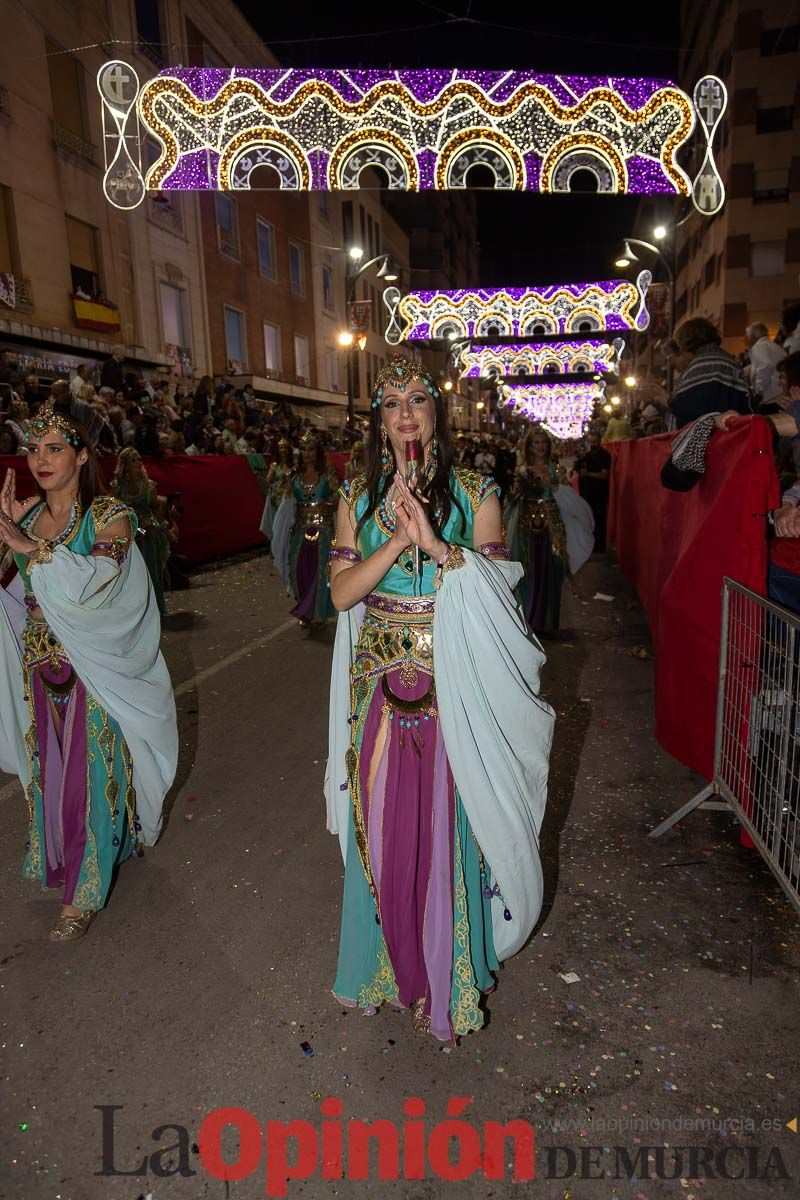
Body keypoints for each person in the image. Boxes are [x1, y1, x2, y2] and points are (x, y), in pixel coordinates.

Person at [325, 354, 554, 1041]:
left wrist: (440, 546)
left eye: (416, 400)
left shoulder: (474, 489)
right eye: (390, 402)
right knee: (385, 825)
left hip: (455, 680)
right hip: (380, 687)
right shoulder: (355, 495)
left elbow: (497, 586)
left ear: (436, 412)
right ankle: (386, 969)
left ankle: (444, 976)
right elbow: (340, 593)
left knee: (451, 826)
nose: (404, 415)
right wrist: (398, 540)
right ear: (378, 420)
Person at [0, 408, 177, 941]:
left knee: (93, 772)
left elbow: (102, 578)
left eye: (55, 448)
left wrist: (33, 549)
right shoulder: (26, 519)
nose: (42, 460)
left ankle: (86, 890)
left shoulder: (107, 513)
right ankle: (92, 851)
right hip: (39, 668)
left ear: (81, 455)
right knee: (53, 772)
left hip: (94, 670)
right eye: (35, 448)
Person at [505, 428, 568, 634]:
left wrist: (557, 482)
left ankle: (548, 622)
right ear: (529, 447)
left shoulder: (554, 468)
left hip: (552, 523)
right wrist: (519, 485)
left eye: (543, 442)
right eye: (536, 443)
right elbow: (514, 496)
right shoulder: (523, 469)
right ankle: (530, 619)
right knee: (530, 567)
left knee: (553, 567)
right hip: (528, 524)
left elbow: (564, 495)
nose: (541, 447)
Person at [283, 431, 338, 628]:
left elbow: (339, 500)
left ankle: (318, 613)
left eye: (311, 449)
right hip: (300, 529)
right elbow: (282, 503)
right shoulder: (294, 477)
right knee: (299, 570)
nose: (307, 453)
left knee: (320, 570)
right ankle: (304, 609)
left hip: (322, 528)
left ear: (318, 452)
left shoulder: (327, 475)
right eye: (304, 449)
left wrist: (328, 504)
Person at [111, 447, 171, 616]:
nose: (138, 463)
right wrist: (135, 530)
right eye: (133, 460)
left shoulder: (148, 485)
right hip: (128, 535)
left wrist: (164, 528)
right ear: (124, 465)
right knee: (134, 577)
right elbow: (115, 514)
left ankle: (156, 611)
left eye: (139, 459)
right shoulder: (116, 487)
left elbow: (155, 509)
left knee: (153, 573)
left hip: (149, 533)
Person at [668, 318, 752, 428]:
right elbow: (747, 402)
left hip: (707, 439)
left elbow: (681, 412)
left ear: (686, 344)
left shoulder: (693, 370)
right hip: (736, 433)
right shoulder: (732, 363)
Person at [575, 429, 612, 552]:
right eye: (590, 442)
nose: (592, 445)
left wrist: (588, 474)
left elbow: (604, 475)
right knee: (588, 519)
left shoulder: (605, 456)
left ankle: (599, 546)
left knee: (599, 519)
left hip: (599, 492)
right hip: (586, 492)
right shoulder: (587, 455)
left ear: (599, 441)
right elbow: (578, 469)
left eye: (594, 442)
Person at [746, 322, 786, 412]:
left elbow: (765, 366)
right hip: (779, 394)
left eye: (747, 337)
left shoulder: (759, 346)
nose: (747, 340)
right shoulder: (774, 346)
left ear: (753, 337)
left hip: (770, 396)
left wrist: (759, 391)